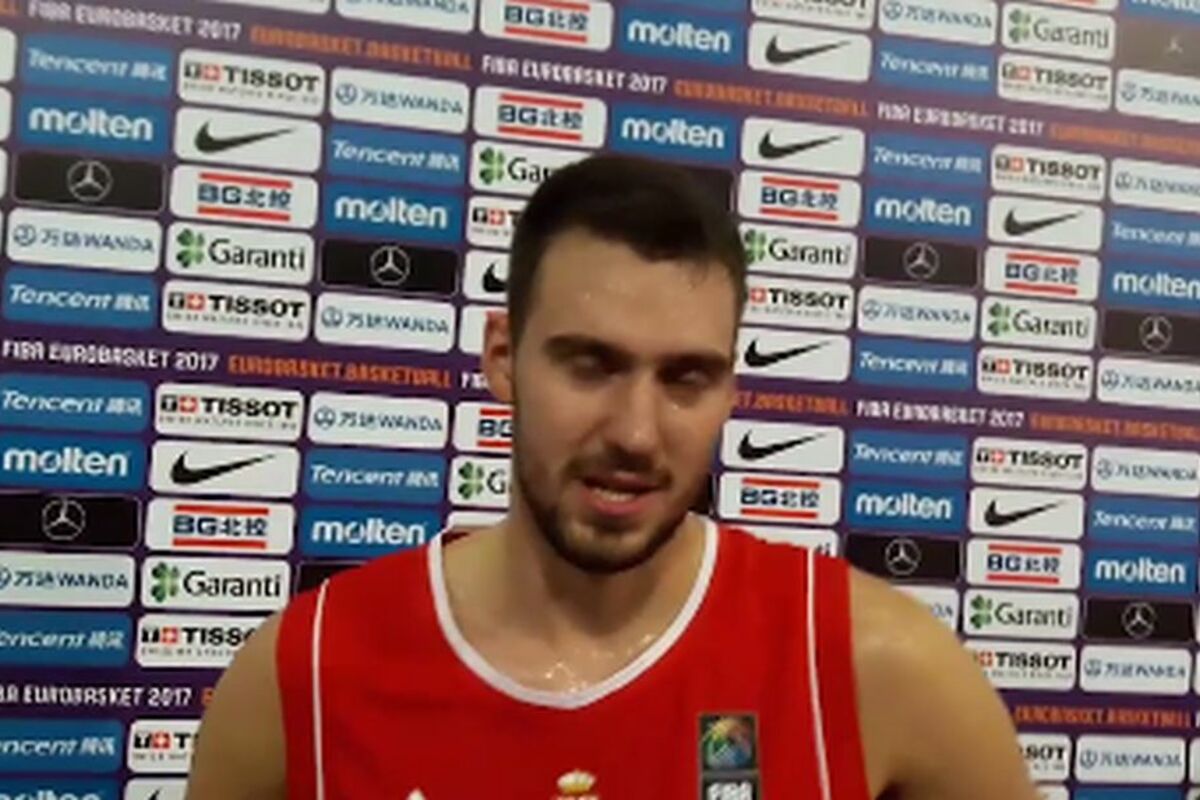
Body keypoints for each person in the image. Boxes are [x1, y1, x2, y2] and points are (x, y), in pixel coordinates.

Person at [185, 154, 1039, 800]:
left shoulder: (874, 665)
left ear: (729, 390)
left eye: (686, 377)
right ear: (503, 358)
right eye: (591, 365)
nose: (635, 432)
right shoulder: (305, 674)